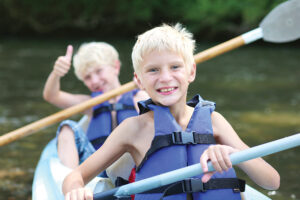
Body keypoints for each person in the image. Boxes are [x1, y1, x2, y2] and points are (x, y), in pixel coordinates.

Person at [62, 24, 280, 200]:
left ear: (191, 71)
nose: (165, 77)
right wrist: (76, 190)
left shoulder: (215, 121)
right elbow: (75, 176)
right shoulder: (132, 129)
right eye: (153, 70)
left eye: (175, 67)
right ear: (139, 80)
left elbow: (272, 181)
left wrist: (234, 155)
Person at [43, 42, 148, 174]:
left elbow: (158, 120)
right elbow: (52, 96)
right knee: (67, 127)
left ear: (115, 67)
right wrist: (56, 74)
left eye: (99, 71)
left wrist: (147, 85)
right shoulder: (90, 104)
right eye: (87, 77)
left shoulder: (139, 96)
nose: (95, 81)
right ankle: (72, 185)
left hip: (131, 163)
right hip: (97, 167)